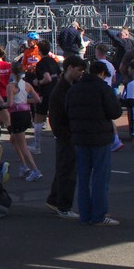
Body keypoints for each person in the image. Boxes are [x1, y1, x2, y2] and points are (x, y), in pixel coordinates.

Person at [66, 60, 122, 226]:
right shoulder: (103, 88)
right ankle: (98, 214)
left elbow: (67, 110)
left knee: (83, 177)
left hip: (80, 137)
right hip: (100, 137)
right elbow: (115, 112)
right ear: (102, 73)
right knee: (100, 177)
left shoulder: (74, 89)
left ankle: (85, 214)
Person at [45, 57, 85, 218]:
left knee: (64, 169)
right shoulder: (62, 89)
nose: (81, 73)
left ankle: (55, 200)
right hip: (66, 135)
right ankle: (63, 206)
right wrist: (64, 133)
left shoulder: (68, 86)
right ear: (70, 68)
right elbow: (56, 116)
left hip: (67, 134)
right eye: (79, 70)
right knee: (67, 171)